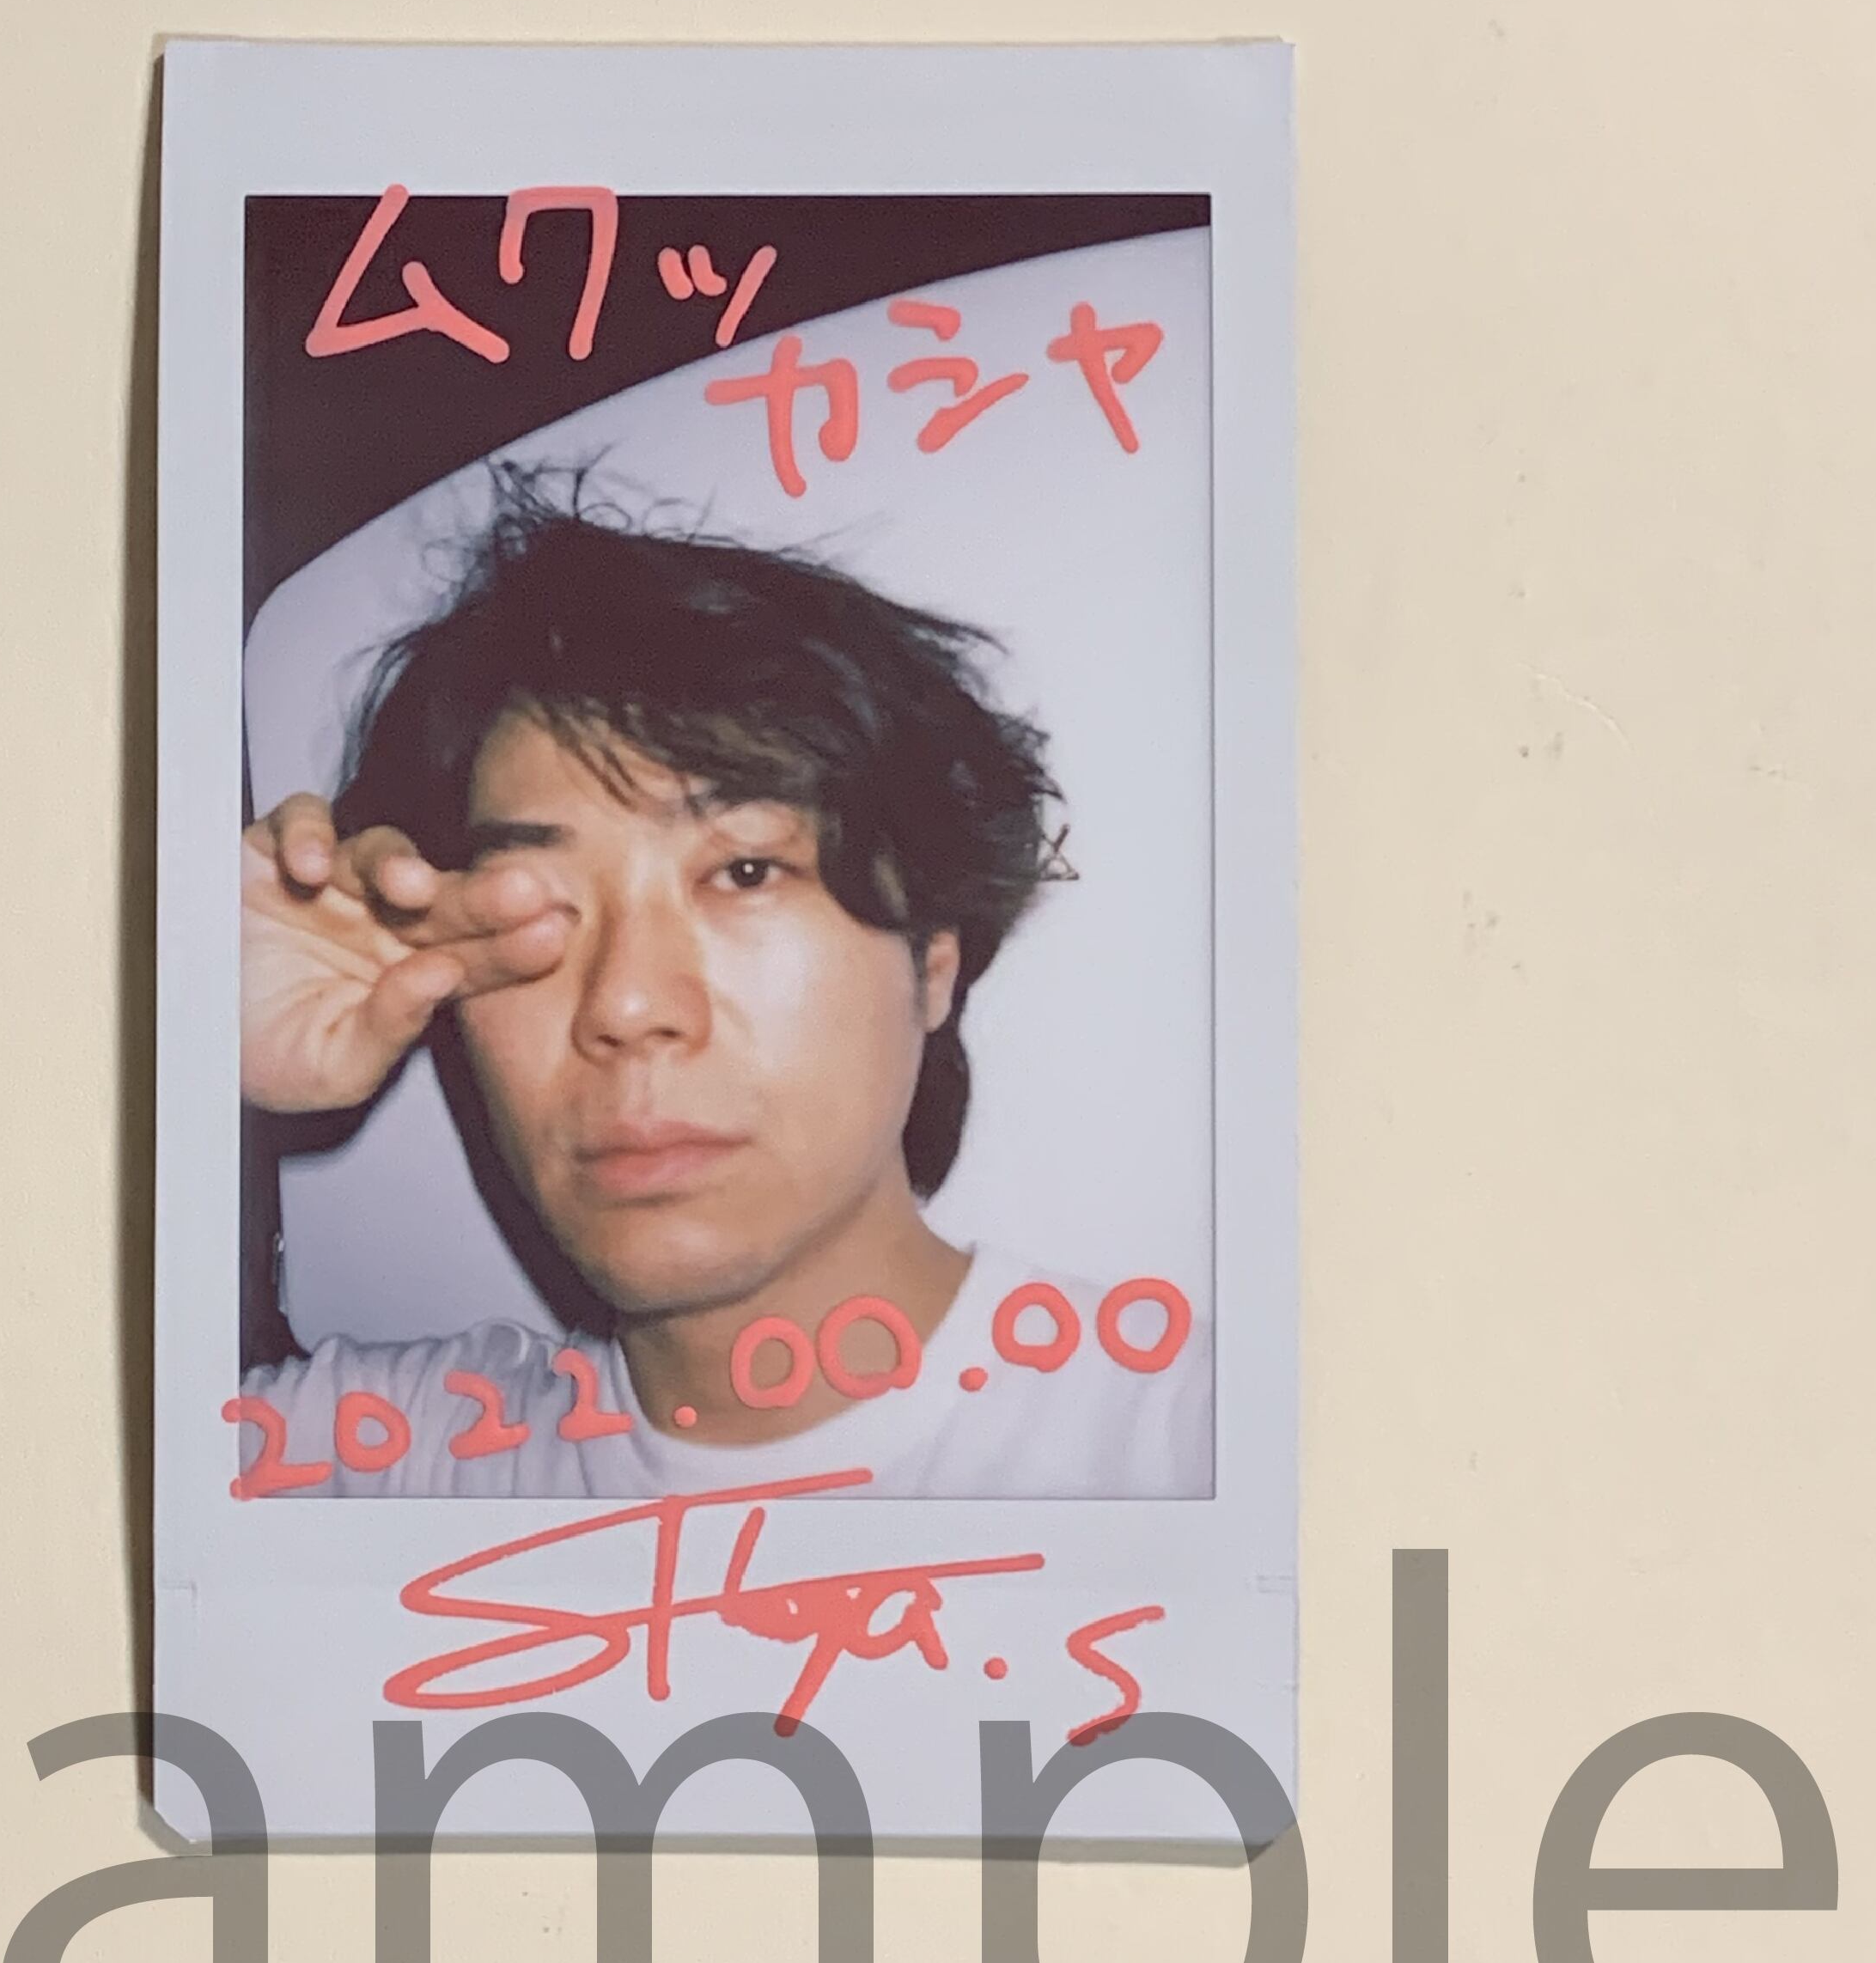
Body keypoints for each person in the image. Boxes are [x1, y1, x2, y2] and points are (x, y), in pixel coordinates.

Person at [232, 474, 1211, 1499]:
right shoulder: (382, 1462)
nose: (624, 1007)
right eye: (533, 907)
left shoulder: (1203, 1456)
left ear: (932, 960)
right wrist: (169, 1028)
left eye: (744, 871)